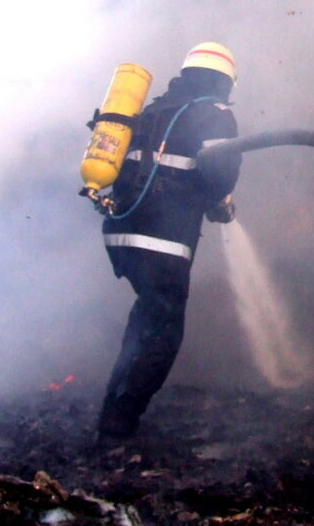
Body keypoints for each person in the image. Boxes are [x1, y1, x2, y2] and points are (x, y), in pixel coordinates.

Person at [97, 42, 242, 442]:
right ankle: (117, 424)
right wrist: (221, 203)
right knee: (163, 333)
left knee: (146, 318)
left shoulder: (150, 111)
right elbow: (218, 173)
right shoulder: (215, 113)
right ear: (224, 81)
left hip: (122, 233)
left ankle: (116, 405)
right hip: (164, 240)